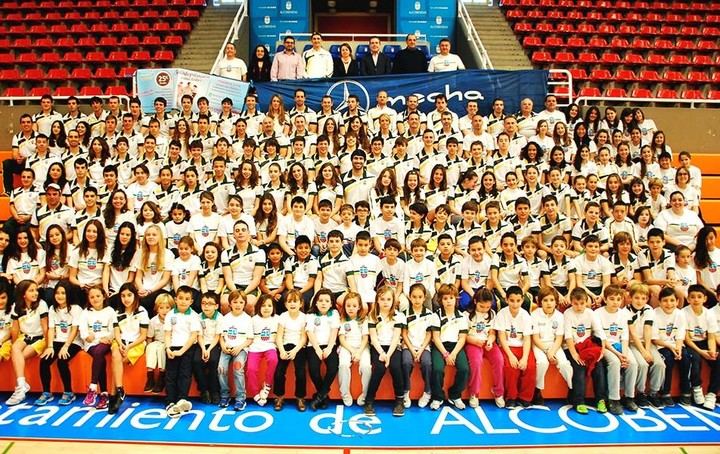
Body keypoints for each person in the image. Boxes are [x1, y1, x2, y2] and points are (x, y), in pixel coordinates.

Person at [36, 281, 82, 407]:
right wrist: (50, 346)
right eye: (57, 293)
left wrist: (66, 346)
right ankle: (46, 392)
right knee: (44, 360)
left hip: (74, 341)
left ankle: (68, 392)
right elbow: (51, 329)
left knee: (62, 360)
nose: (60, 296)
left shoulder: (76, 309)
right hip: (58, 340)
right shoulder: (52, 308)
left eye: (63, 293)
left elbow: (74, 329)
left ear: (69, 294)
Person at [363, 286, 406, 417]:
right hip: (378, 347)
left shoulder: (399, 316)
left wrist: (388, 355)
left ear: (393, 301)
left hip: (393, 347)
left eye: (388, 299)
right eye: (382, 299)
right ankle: (369, 400)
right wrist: (382, 353)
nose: (386, 302)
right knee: (379, 369)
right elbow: (373, 338)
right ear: (377, 300)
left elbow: (396, 337)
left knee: (395, 367)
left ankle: (399, 400)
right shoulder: (372, 316)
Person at [5, 280, 48, 406]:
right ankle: (22, 385)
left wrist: (48, 345)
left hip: (40, 337)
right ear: (23, 294)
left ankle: (20, 387)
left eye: (36, 290)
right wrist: (14, 343)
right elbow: (15, 328)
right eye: (31, 290)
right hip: (25, 336)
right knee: (15, 349)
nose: (35, 293)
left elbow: (45, 327)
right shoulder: (16, 306)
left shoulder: (41, 304)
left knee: (20, 358)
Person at [109, 283, 149, 415]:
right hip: (121, 342)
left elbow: (143, 336)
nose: (126, 299)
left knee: (117, 362)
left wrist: (129, 347)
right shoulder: (117, 312)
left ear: (135, 296)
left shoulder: (142, 311)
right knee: (115, 353)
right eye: (123, 296)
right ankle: (120, 390)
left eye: (129, 295)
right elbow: (116, 333)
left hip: (136, 344)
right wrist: (120, 344)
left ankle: (113, 395)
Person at [495, 285, 536, 408]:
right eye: (512, 300)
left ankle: (525, 397)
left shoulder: (525, 316)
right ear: (507, 300)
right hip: (507, 347)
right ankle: (511, 397)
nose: (515, 304)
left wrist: (524, 357)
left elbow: (527, 339)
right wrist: (511, 356)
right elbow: (501, 338)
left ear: (522, 300)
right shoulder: (502, 314)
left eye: (518, 301)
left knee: (530, 367)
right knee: (510, 367)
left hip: (522, 347)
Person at [429, 284, 469, 410]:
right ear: (440, 300)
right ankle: (437, 397)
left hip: (456, 346)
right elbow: (435, 337)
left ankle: (455, 395)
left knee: (464, 369)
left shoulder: (462, 316)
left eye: (451, 298)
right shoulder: (436, 316)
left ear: (456, 298)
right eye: (445, 298)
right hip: (440, 346)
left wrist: (454, 354)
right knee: (437, 369)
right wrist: (446, 354)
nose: (448, 301)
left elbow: (462, 338)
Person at [653, 287, 692, 407]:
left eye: (672, 300)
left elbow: (680, 334)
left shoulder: (680, 314)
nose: (669, 304)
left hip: (676, 344)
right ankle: (665, 392)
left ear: (677, 302)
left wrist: (679, 348)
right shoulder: (654, 313)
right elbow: (654, 338)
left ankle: (685, 390)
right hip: (661, 345)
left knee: (685, 357)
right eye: (665, 300)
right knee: (668, 360)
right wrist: (670, 347)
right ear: (659, 302)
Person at [78, 286, 115, 410]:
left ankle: (93, 387)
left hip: (105, 342)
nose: (95, 299)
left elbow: (113, 331)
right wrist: (94, 337)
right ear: (88, 299)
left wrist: (101, 337)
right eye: (92, 297)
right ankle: (104, 394)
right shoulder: (85, 313)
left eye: (98, 296)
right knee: (99, 356)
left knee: (99, 351)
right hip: (91, 345)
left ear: (104, 296)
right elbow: (84, 334)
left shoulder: (110, 311)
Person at [305, 289, 340, 410]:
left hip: (330, 345)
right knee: (313, 370)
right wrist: (317, 349)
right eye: (320, 301)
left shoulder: (334, 313)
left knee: (333, 368)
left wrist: (329, 348)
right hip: (314, 346)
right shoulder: (310, 315)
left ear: (331, 303)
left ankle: (319, 396)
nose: (323, 303)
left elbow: (334, 331)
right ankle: (324, 396)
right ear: (315, 302)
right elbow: (310, 332)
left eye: (326, 301)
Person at [273, 289, 308, 411]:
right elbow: (279, 336)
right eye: (289, 301)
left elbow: (304, 337)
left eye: (295, 301)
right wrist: (282, 350)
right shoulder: (283, 316)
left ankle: (300, 397)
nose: (292, 304)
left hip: (299, 347)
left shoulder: (304, 317)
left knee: (300, 373)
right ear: (285, 304)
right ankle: (279, 396)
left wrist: (295, 351)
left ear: (301, 303)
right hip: (285, 345)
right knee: (279, 373)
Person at [218, 290, 253, 411]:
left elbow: (249, 339)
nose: (238, 304)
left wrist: (239, 347)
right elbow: (221, 336)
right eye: (235, 302)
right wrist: (223, 346)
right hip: (227, 348)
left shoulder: (248, 319)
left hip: (241, 348)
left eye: (241, 302)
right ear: (230, 304)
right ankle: (225, 395)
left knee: (238, 368)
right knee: (221, 368)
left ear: (244, 304)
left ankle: (240, 398)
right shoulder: (224, 318)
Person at [401, 284, 433, 409]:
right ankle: (406, 392)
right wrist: (411, 349)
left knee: (427, 363)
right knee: (406, 362)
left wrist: (420, 350)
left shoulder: (429, 314)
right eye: (414, 297)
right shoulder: (404, 314)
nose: (417, 300)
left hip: (423, 347)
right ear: (409, 297)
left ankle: (427, 392)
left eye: (420, 297)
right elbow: (404, 334)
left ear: (424, 298)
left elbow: (429, 335)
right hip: (408, 346)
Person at [337, 291, 370, 406]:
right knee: (343, 365)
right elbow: (342, 339)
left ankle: (365, 394)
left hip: (362, 347)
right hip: (347, 346)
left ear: (359, 307)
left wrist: (359, 352)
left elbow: (365, 338)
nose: (351, 308)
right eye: (348, 306)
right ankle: (345, 394)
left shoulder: (364, 320)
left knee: (366, 367)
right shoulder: (342, 320)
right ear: (344, 306)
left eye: (354, 306)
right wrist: (352, 351)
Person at [246, 294, 279, 407]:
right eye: (263, 305)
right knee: (251, 369)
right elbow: (249, 337)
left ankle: (267, 385)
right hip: (255, 347)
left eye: (269, 305)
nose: (266, 308)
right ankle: (255, 393)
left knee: (273, 360)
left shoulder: (277, 319)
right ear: (259, 307)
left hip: (270, 346)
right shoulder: (253, 320)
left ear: (273, 307)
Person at [145, 293, 174, 394]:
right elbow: (149, 337)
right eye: (161, 307)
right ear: (157, 309)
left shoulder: (173, 320)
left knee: (162, 348)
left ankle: (162, 376)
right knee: (151, 347)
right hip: (156, 341)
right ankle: (150, 376)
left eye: (167, 308)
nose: (164, 310)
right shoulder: (153, 321)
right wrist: (148, 347)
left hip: (168, 343)